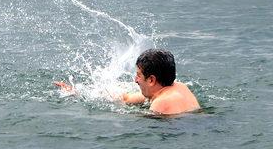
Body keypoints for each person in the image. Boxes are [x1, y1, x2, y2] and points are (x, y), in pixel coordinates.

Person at [54, 49, 200, 115]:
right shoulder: (179, 87)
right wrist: (78, 94)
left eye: (138, 75)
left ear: (151, 80)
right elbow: (126, 98)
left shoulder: (160, 103)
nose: (135, 80)